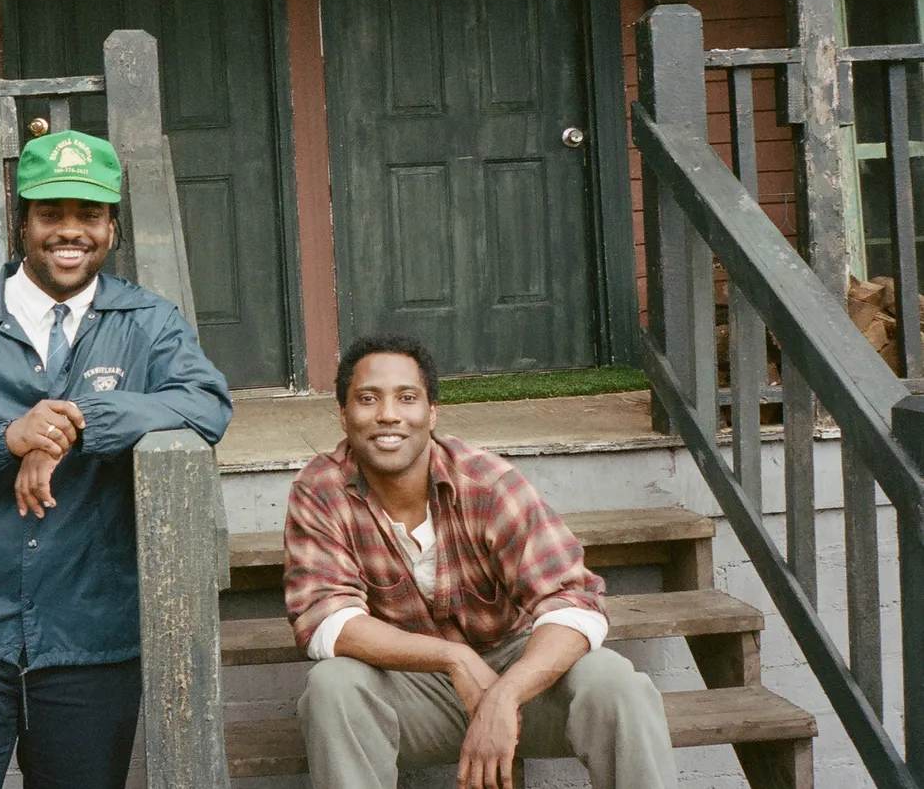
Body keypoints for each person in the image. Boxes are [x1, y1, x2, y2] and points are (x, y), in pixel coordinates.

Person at [0, 129, 232, 789]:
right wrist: (8, 440)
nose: (71, 232)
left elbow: (206, 404)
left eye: (89, 214)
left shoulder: (149, 324)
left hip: (89, 633)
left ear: (113, 227)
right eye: (51, 214)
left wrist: (73, 425)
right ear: (22, 223)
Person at [283, 334, 678, 789]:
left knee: (616, 682)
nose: (388, 414)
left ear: (431, 413)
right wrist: (452, 658)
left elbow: (573, 603)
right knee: (332, 688)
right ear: (344, 414)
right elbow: (326, 621)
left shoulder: (488, 483)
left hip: (523, 683)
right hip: (413, 691)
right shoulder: (321, 490)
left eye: (407, 398)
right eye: (368, 399)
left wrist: (505, 694)